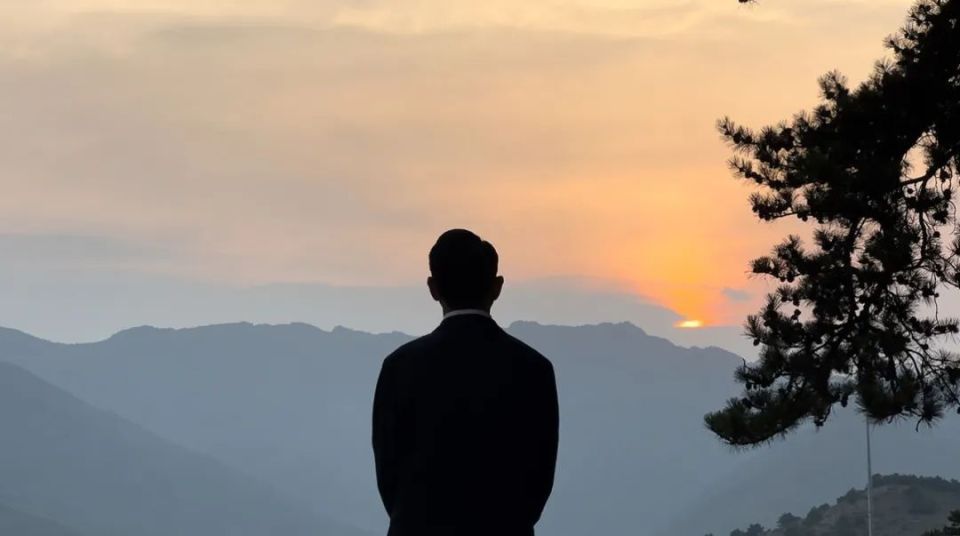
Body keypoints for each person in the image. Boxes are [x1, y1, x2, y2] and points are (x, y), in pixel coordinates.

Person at [372, 228, 560, 536]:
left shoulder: (399, 366)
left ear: (433, 287)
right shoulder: (533, 369)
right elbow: (539, 477)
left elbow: (389, 473)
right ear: (496, 287)